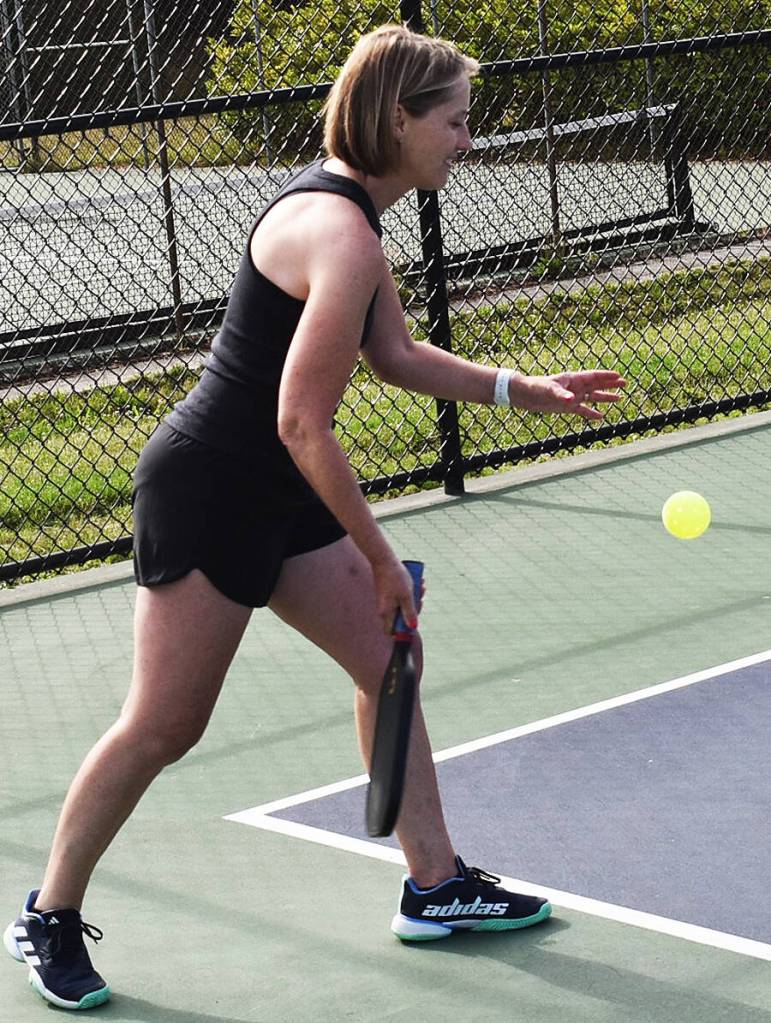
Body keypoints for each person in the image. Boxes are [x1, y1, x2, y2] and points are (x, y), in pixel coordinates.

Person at [3, 24, 626, 1011]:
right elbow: (301, 420)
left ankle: (436, 887)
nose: (467, 141)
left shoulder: (353, 220)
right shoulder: (339, 232)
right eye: (455, 122)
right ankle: (47, 913)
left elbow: (396, 357)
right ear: (398, 120)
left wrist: (521, 388)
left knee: (387, 664)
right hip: (211, 493)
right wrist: (379, 559)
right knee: (165, 725)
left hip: (274, 488)